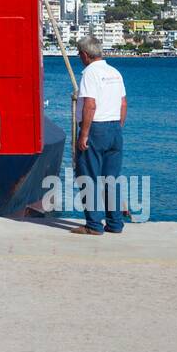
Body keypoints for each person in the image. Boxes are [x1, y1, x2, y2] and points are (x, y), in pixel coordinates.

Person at [71, 35, 128, 235]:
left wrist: (84, 134)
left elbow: (90, 104)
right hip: (114, 128)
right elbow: (123, 103)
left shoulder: (90, 73)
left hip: (96, 129)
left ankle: (94, 225)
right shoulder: (115, 72)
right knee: (111, 178)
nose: (80, 57)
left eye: (79, 54)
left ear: (85, 55)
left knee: (88, 177)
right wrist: (117, 127)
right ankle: (115, 223)